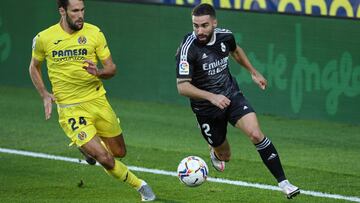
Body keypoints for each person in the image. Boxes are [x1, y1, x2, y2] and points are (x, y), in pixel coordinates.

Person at [28, 0, 155, 201]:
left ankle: (86, 147)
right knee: (104, 158)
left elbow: (112, 68)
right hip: (70, 108)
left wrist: (100, 72)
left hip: (97, 100)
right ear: (62, 11)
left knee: (118, 152)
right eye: (75, 11)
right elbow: (34, 66)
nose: (80, 15)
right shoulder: (44, 38)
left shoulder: (94, 33)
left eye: (82, 10)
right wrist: (44, 93)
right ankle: (141, 187)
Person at [175, 3, 300, 199]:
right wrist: (212, 97)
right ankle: (215, 151)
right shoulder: (188, 48)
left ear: (214, 23)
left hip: (231, 94)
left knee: (256, 134)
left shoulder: (225, 36)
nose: (199, 30)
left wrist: (253, 71)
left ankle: (284, 183)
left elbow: (235, 51)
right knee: (225, 155)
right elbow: (182, 87)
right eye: (195, 26)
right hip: (206, 108)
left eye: (204, 25)